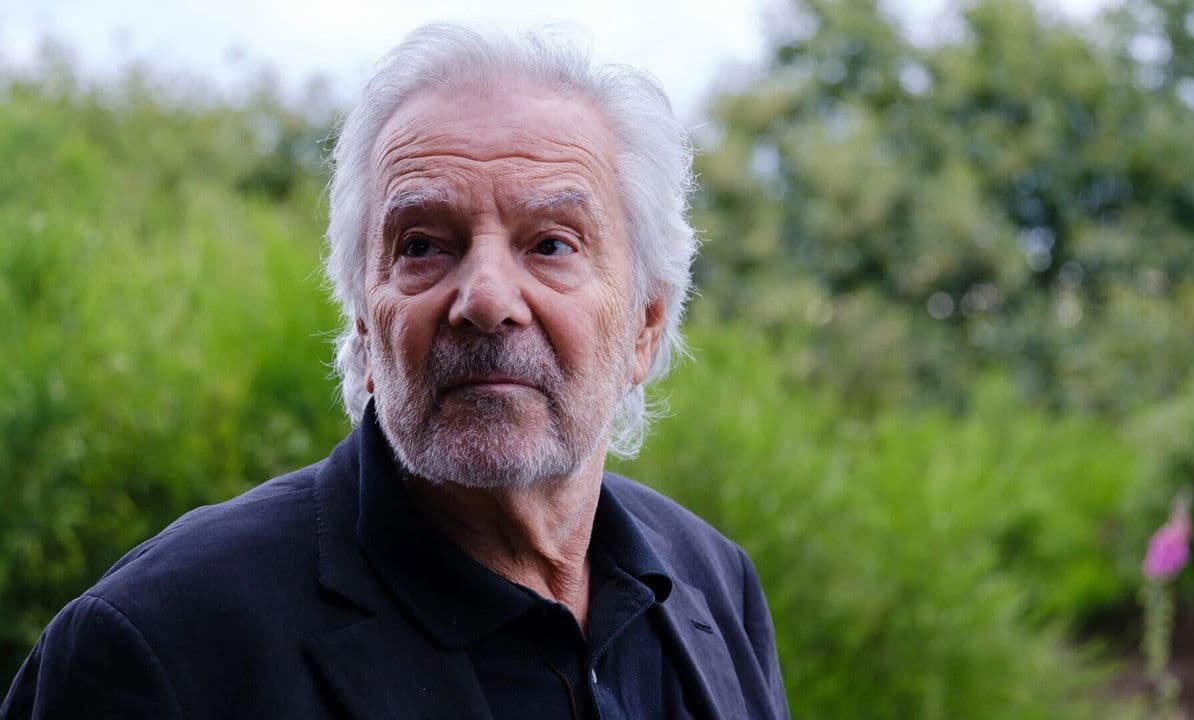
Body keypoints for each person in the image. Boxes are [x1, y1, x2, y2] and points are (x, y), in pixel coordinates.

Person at [0, 24, 788, 720]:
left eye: (551, 244)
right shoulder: (161, 643)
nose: (485, 300)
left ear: (646, 323)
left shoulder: (714, 584)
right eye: (422, 246)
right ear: (363, 321)